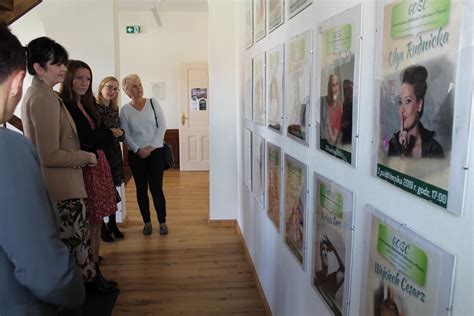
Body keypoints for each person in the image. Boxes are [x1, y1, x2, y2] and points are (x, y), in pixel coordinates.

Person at [0, 24, 85, 315]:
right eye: (57, 63)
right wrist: (76, 291)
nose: (63, 69)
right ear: (17, 80)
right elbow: (46, 270)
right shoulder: (9, 149)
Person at [21, 37, 116, 294]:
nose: (64, 69)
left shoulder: (44, 94)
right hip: (62, 186)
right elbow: (49, 154)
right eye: (57, 64)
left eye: (64, 63)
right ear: (39, 67)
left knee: (79, 245)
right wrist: (87, 157)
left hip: (65, 183)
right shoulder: (44, 98)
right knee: (73, 251)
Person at [59, 60, 119, 293]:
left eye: (88, 79)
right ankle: (90, 274)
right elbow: (91, 137)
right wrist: (107, 135)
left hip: (98, 164)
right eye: (79, 78)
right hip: (86, 166)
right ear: (68, 79)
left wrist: (104, 135)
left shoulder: (86, 104)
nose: (84, 83)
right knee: (89, 221)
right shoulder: (66, 105)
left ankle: (94, 269)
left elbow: (101, 132)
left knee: (96, 221)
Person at [120, 74, 169, 236]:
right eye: (134, 86)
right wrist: (138, 149)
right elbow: (125, 134)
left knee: (156, 188)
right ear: (127, 91)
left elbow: (162, 126)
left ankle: (162, 221)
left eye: (139, 85)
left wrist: (151, 147)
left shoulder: (153, 103)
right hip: (136, 154)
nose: (138, 88)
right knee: (141, 189)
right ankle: (147, 222)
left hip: (156, 152)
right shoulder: (125, 110)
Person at [388, 65, 444, 158]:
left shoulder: (433, 149)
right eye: (400, 102)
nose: (402, 109)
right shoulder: (394, 145)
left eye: (408, 101)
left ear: (419, 105)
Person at [96, 76, 125, 241]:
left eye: (115, 89)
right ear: (101, 88)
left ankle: (113, 224)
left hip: (114, 153)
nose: (112, 91)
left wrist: (121, 133)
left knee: (113, 189)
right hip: (102, 154)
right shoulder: (94, 108)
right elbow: (95, 134)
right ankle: (102, 228)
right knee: (102, 191)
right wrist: (110, 133)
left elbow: (120, 133)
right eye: (109, 87)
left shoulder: (114, 109)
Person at [315, 233, 345, 301]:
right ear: (320, 253)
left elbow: (344, 269)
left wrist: (334, 249)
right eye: (323, 249)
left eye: (326, 249)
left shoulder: (333, 279)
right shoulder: (317, 275)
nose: (325, 253)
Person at [321, 74, 343, 146]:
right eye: (333, 85)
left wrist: (333, 139)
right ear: (329, 87)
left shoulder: (339, 107)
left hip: (331, 145)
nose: (336, 88)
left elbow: (334, 139)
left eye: (337, 84)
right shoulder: (322, 101)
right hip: (322, 142)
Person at [341, 79, 353, 145]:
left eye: (350, 88)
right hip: (346, 138)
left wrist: (349, 122)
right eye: (345, 89)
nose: (348, 91)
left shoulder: (359, 103)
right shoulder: (344, 104)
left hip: (354, 137)